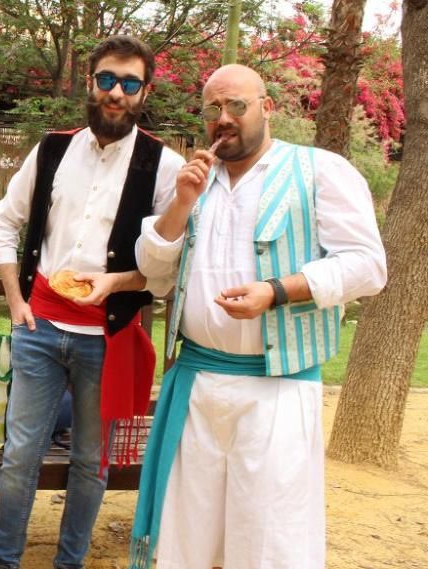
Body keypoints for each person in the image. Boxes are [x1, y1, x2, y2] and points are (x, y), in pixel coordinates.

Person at [130, 64, 387, 569]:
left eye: (236, 106)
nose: (223, 118)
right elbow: (153, 273)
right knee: (186, 538)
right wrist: (181, 205)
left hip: (279, 390)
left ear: (267, 108)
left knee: (270, 541)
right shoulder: (192, 181)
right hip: (197, 387)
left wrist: (276, 291)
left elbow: (368, 267)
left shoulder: (320, 171)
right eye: (212, 109)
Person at [0, 35, 184, 569]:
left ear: (145, 91)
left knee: (91, 461)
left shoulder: (164, 167)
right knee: (20, 455)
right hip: (39, 328)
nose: (117, 92)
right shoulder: (51, 149)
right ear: (89, 83)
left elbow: (167, 268)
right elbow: (4, 222)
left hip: (108, 338)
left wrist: (115, 284)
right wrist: (16, 300)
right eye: (107, 80)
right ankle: (5, 562)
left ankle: (68, 563)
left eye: (130, 83)